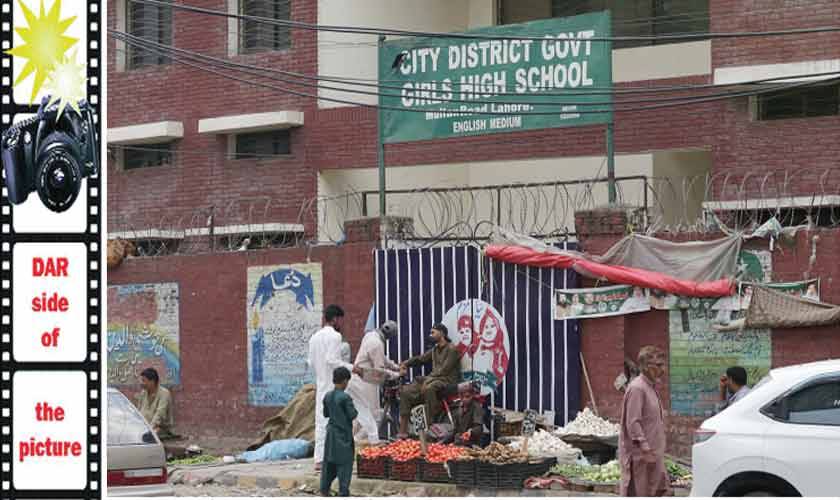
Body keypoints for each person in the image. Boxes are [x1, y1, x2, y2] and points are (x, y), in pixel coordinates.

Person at [619, 346, 671, 497]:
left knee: (654, 490)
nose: (664, 369)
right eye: (659, 365)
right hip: (642, 456)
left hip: (653, 455)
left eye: (664, 364)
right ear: (647, 367)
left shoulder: (650, 387)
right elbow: (633, 423)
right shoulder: (637, 388)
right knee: (641, 492)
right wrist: (646, 449)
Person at [308, 304, 353, 471]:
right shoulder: (335, 337)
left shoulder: (314, 338)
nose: (341, 323)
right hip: (334, 386)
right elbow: (332, 360)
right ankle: (338, 457)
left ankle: (319, 460)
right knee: (340, 422)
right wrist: (351, 368)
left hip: (321, 384)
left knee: (321, 422)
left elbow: (311, 364)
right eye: (340, 319)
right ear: (335, 319)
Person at [398, 323, 461, 436]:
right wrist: (406, 363)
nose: (430, 335)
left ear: (441, 333)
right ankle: (403, 431)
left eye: (433, 332)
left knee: (429, 388)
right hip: (433, 379)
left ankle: (429, 425)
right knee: (405, 391)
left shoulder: (452, 349)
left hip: (446, 380)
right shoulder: (434, 350)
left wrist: (427, 381)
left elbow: (444, 370)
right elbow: (420, 359)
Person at [345, 320, 400, 444]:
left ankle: (352, 442)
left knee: (359, 415)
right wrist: (396, 374)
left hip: (358, 380)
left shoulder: (370, 336)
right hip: (366, 382)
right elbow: (379, 370)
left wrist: (394, 365)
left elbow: (380, 357)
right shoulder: (377, 344)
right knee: (373, 415)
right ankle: (360, 440)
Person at [320, 367, 358, 497]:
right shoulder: (345, 397)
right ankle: (343, 492)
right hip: (343, 436)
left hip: (330, 435)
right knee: (344, 464)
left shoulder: (327, 396)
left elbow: (325, 414)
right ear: (345, 381)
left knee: (328, 463)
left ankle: (324, 490)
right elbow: (352, 415)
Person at [470, 310, 508, 385]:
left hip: (493, 380)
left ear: (497, 329)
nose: (489, 329)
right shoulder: (478, 342)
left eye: (492, 326)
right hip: (476, 376)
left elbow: (504, 361)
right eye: (486, 327)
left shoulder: (500, 346)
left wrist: (500, 368)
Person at [136, 367, 175, 439]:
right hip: (144, 428)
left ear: (152, 381)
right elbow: (138, 412)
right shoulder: (143, 393)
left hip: (161, 429)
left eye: (144, 381)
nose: (141, 383)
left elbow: (160, 414)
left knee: (149, 436)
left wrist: (149, 429)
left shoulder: (164, 393)